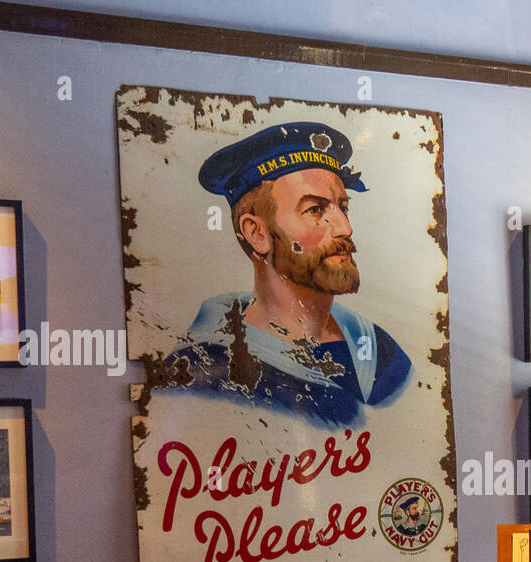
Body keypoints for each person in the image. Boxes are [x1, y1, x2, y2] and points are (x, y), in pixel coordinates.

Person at [167, 121, 410, 427]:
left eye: (342, 207)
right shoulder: (206, 372)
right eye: (314, 210)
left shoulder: (381, 352)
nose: (345, 229)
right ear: (256, 233)